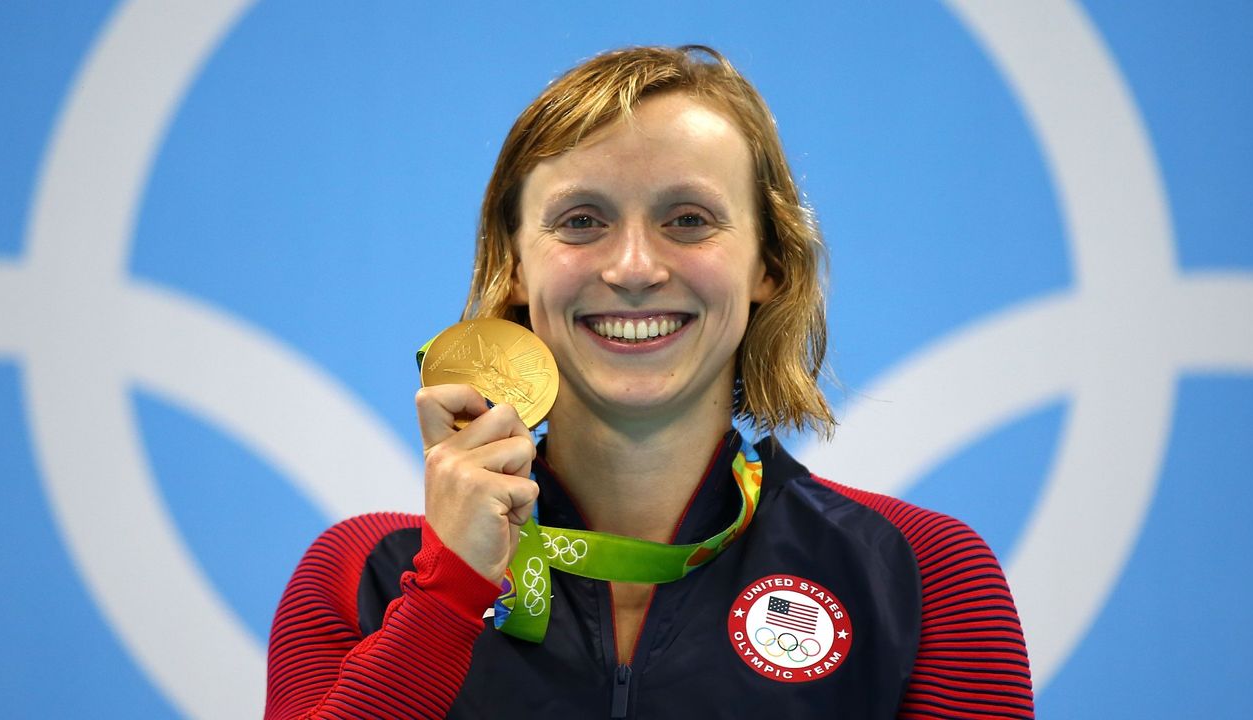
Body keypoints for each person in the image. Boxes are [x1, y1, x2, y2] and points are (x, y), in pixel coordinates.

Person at [265, 45, 1034, 719]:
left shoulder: (921, 573)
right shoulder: (367, 574)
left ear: (770, 262)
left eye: (690, 219)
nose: (634, 267)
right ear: (514, 266)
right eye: (581, 221)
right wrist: (449, 591)